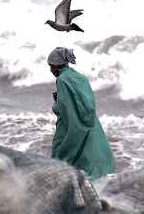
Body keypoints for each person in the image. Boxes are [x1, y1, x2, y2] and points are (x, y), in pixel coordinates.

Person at [48, 47, 115, 180]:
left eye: (52, 66)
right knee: (90, 149)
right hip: (89, 119)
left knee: (64, 149)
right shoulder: (79, 76)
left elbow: (65, 109)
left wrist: (57, 103)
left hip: (73, 122)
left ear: (58, 64)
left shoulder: (62, 79)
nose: (51, 70)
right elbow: (84, 99)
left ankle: (65, 177)